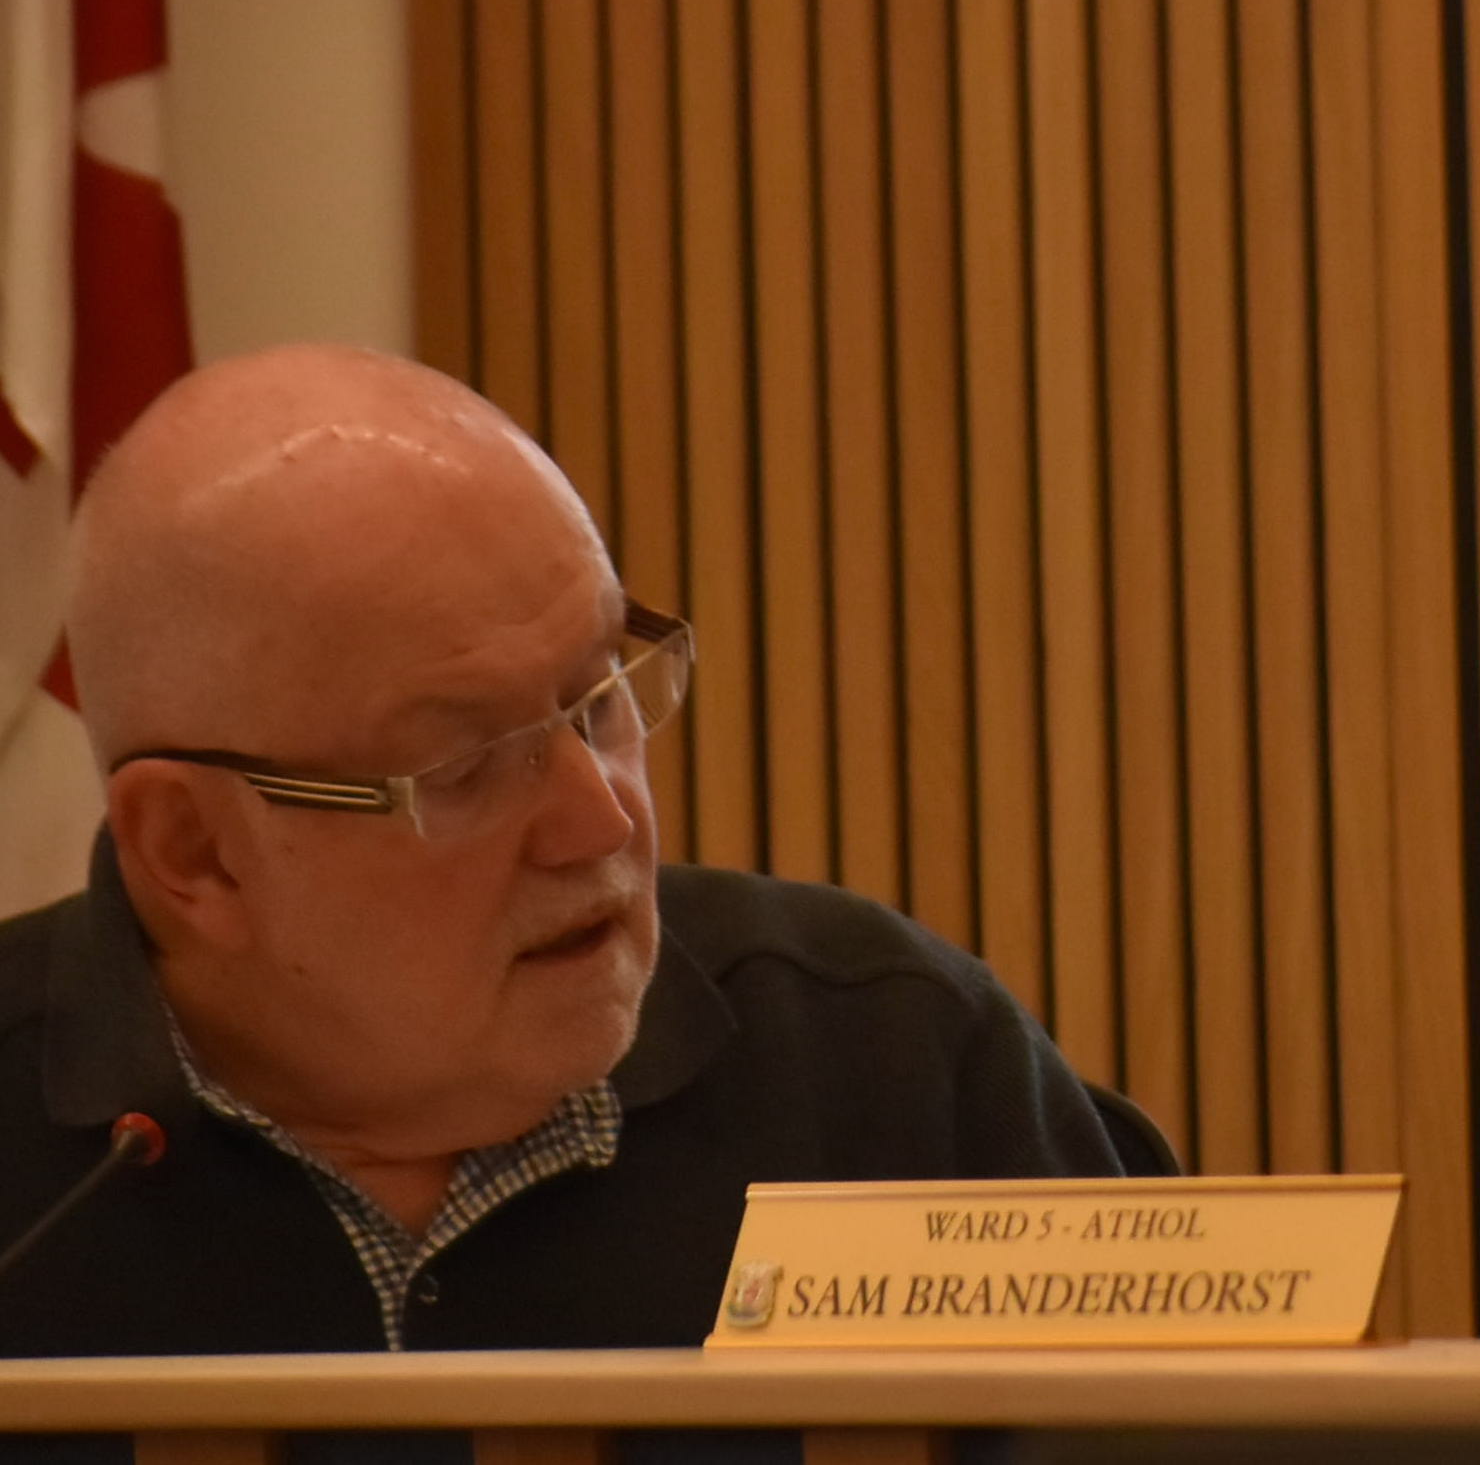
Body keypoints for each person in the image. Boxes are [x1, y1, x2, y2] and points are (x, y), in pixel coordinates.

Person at [0, 346, 1153, 1355]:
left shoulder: (889, 1060)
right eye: (461, 763)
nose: (600, 820)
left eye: (598, 695)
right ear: (195, 848)